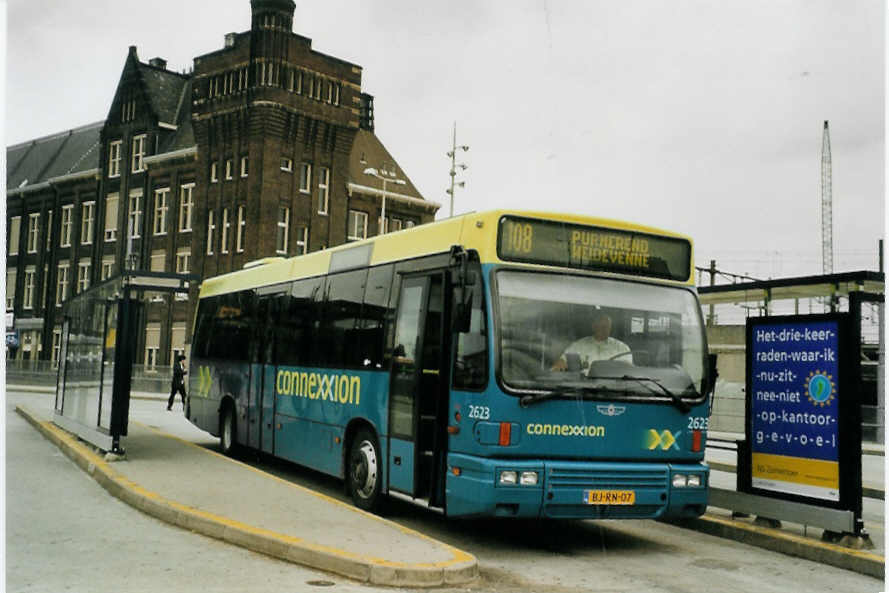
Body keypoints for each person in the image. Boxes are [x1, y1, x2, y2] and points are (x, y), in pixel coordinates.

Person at [551, 311, 631, 371]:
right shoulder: (579, 345)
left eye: (606, 327)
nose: (603, 330)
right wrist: (560, 364)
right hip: (585, 387)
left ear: (610, 328)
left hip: (613, 388)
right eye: (600, 326)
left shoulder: (621, 348)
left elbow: (628, 370)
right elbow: (562, 361)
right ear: (593, 327)